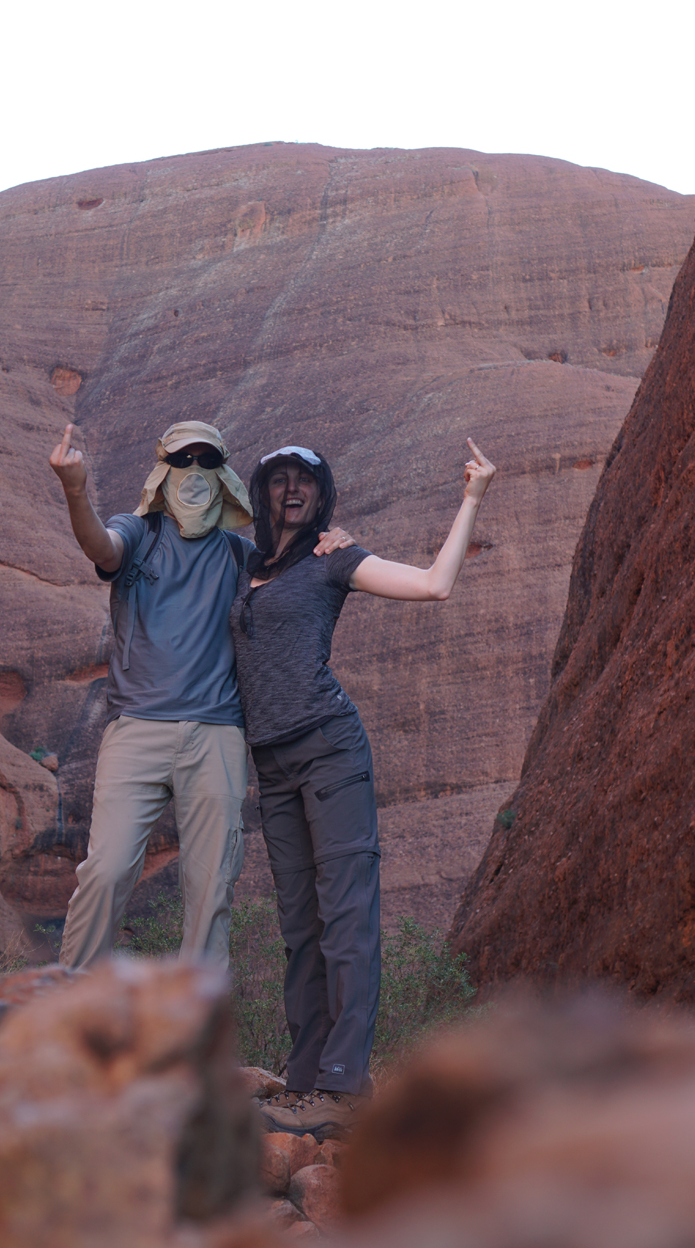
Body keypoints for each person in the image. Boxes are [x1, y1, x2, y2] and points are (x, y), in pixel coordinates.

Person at [230, 438, 496, 1139]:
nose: (291, 489)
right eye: (278, 479)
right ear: (260, 495)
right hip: (272, 766)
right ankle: (304, 1082)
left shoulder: (335, 559)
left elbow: (434, 585)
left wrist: (471, 497)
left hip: (327, 748)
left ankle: (345, 1090)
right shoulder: (238, 565)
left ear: (321, 498)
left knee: (345, 916)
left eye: (305, 482)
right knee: (299, 926)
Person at [48, 420, 355, 970]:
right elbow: (100, 544)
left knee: (212, 889)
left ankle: (196, 1027)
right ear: (162, 471)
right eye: (183, 460)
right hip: (136, 729)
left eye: (208, 462)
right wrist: (74, 488)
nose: (195, 473)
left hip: (216, 734)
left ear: (225, 475)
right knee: (107, 870)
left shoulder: (243, 556)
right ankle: (70, 1007)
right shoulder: (139, 534)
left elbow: (299, 565)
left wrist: (336, 540)